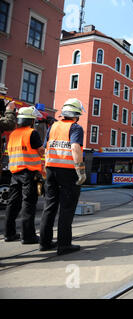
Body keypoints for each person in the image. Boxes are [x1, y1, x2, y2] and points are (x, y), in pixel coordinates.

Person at [39, 98, 86, 255]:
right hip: (68, 172)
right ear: (76, 114)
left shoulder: (52, 127)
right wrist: (80, 170)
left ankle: (44, 243)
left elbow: (45, 148)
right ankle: (64, 245)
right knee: (66, 208)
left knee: (49, 206)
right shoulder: (75, 128)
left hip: (51, 170)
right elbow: (75, 148)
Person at [4, 106, 44, 243]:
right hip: (29, 173)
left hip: (14, 173)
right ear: (31, 121)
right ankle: (28, 236)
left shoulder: (13, 134)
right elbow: (40, 151)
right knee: (28, 204)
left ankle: (9, 234)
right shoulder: (32, 133)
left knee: (12, 204)